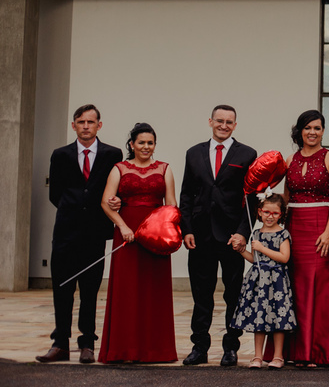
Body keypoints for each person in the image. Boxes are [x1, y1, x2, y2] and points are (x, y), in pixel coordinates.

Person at [38, 104, 122, 364]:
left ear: (99, 125)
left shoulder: (112, 154)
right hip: (65, 233)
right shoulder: (60, 154)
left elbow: (116, 189)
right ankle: (60, 343)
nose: (86, 126)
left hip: (95, 234)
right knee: (62, 288)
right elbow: (56, 195)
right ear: (73, 125)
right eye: (81, 122)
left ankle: (87, 343)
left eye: (91, 122)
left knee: (89, 291)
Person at [179, 104, 257, 367]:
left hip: (231, 236)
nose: (224, 125)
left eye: (229, 122)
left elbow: (251, 199)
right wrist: (186, 229)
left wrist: (243, 234)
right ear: (210, 121)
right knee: (202, 295)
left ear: (235, 125)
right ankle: (199, 347)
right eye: (219, 120)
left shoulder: (247, 154)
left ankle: (231, 348)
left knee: (233, 293)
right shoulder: (193, 153)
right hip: (200, 236)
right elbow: (186, 195)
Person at [97, 123, 178, 363]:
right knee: (127, 291)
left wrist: (163, 231)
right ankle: (125, 350)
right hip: (127, 235)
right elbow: (105, 202)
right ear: (132, 144)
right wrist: (122, 226)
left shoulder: (164, 169)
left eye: (150, 143)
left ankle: (156, 351)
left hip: (155, 236)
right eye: (141, 142)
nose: (146, 147)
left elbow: (171, 205)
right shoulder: (119, 169)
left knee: (154, 292)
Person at [270, 109, 329, 367]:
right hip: (294, 226)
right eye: (308, 128)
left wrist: (328, 231)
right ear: (300, 131)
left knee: (319, 284)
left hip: (320, 226)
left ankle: (319, 351)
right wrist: (278, 229)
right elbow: (286, 198)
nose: (313, 132)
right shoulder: (289, 159)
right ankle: (294, 351)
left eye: (317, 128)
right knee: (294, 286)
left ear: (323, 131)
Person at [232, 193, 297, 369]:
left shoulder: (282, 234)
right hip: (259, 282)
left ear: (281, 214)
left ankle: (278, 356)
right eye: (266, 212)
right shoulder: (256, 233)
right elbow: (255, 259)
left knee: (278, 319)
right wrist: (241, 250)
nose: (270, 216)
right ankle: (257, 356)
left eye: (275, 213)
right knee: (259, 317)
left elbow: (284, 257)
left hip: (276, 281)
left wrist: (262, 248)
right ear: (259, 212)